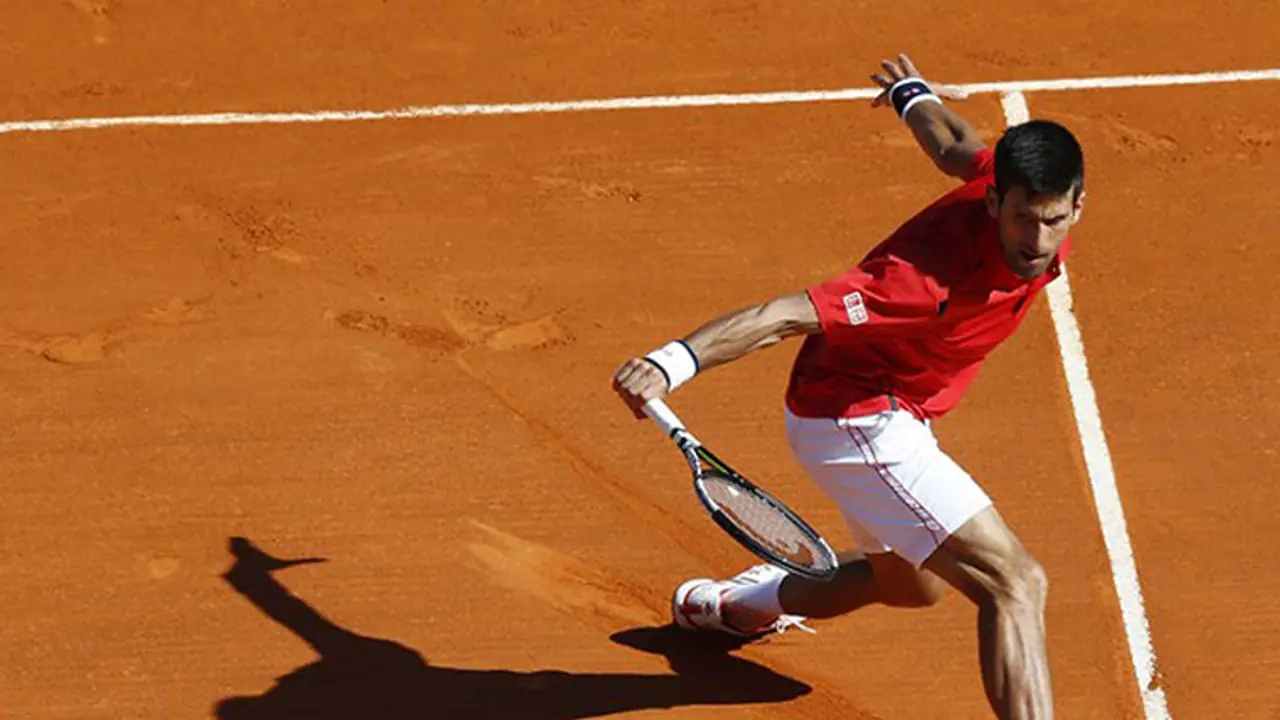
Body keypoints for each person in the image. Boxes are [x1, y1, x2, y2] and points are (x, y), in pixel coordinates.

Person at [611, 54, 1086, 720]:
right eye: (1021, 222)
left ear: (1075, 205)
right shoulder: (919, 280)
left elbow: (957, 145)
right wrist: (671, 361)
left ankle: (735, 607)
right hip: (854, 416)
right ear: (993, 205)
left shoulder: (1008, 185)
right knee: (1016, 582)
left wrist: (909, 94)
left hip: (901, 408)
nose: (1036, 240)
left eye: (1053, 220)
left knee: (911, 586)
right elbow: (782, 316)